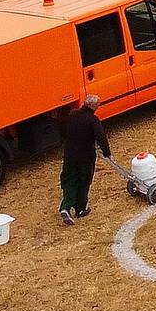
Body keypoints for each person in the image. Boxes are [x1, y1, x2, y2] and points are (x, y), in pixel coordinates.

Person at [58, 96, 109, 224]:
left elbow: (63, 130)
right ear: (92, 106)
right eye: (98, 105)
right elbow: (101, 137)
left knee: (69, 180)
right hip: (85, 157)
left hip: (69, 155)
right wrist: (107, 153)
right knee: (84, 180)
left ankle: (66, 206)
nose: (98, 107)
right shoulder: (92, 120)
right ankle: (80, 209)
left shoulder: (72, 115)